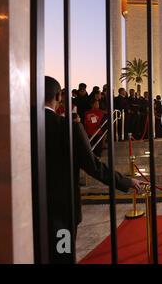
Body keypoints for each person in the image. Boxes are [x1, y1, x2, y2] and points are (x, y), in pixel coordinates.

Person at [44, 76, 144, 263]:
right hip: (61, 214)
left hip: (23, 213)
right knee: (62, 257)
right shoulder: (68, 128)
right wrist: (126, 181)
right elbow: (94, 167)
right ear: (59, 96)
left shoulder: (17, 127)